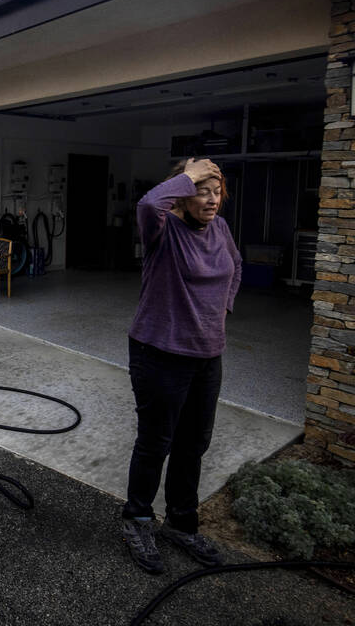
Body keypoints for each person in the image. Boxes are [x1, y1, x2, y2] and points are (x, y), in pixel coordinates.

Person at [120, 157, 241, 573]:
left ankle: (181, 523)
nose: (212, 199)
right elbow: (146, 205)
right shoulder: (163, 229)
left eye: (217, 190)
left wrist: (222, 307)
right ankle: (137, 520)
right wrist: (187, 175)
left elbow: (235, 266)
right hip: (159, 353)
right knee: (157, 442)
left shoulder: (221, 230)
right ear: (183, 194)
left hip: (208, 354)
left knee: (193, 444)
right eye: (202, 190)